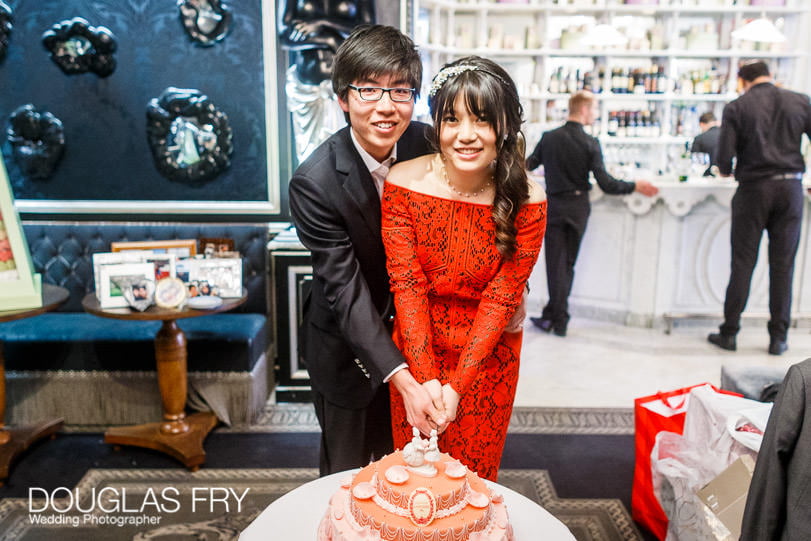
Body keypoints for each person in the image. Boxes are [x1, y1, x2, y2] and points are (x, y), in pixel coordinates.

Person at [288, 25, 445, 477]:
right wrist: (400, 377)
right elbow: (345, 291)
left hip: (420, 348)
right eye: (369, 89)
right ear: (342, 97)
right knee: (347, 478)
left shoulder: (429, 144)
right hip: (346, 352)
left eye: (400, 91)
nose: (385, 106)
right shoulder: (314, 182)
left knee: (414, 475)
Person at [382, 56, 547, 481]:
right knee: (415, 479)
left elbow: (502, 297)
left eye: (482, 120)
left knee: (471, 484)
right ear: (436, 124)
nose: (466, 136)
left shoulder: (528, 199)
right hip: (418, 351)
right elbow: (407, 286)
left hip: (487, 360)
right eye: (451, 120)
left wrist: (457, 386)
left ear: (506, 125)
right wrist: (426, 380)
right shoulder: (402, 183)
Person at [525, 90, 658, 337]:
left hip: (554, 205)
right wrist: (635, 185)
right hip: (578, 207)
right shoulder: (590, 143)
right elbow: (606, 183)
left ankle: (554, 315)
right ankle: (558, 317)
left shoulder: (549, 138)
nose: (596, 115)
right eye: (594, 109)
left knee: (555, 264)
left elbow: (528, 165)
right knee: (568, 264)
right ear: (584, 109)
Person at [708, 61, 811, 356]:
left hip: (753, 190)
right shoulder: (800, 101)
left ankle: (729, 333)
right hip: (790, 188)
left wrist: (729, 168)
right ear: (771, 75)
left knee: (742, 262)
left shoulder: (737, 107)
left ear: (742, 80)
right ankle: (778, 339)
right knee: (783, 266)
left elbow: (724, 161)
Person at [277, 0, 373, 162]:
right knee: (310, 159)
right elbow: (285, 36)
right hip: (307, 87)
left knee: (348, 157)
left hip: (347, 84)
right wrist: (328, 40)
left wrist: (322, 23)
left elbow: (369, 32)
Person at [690, 111, 720, 176]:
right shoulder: (727, 136)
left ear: (701, 124)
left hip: (706, 177)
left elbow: (695, 162)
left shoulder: (699, 138)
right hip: (726, 177)